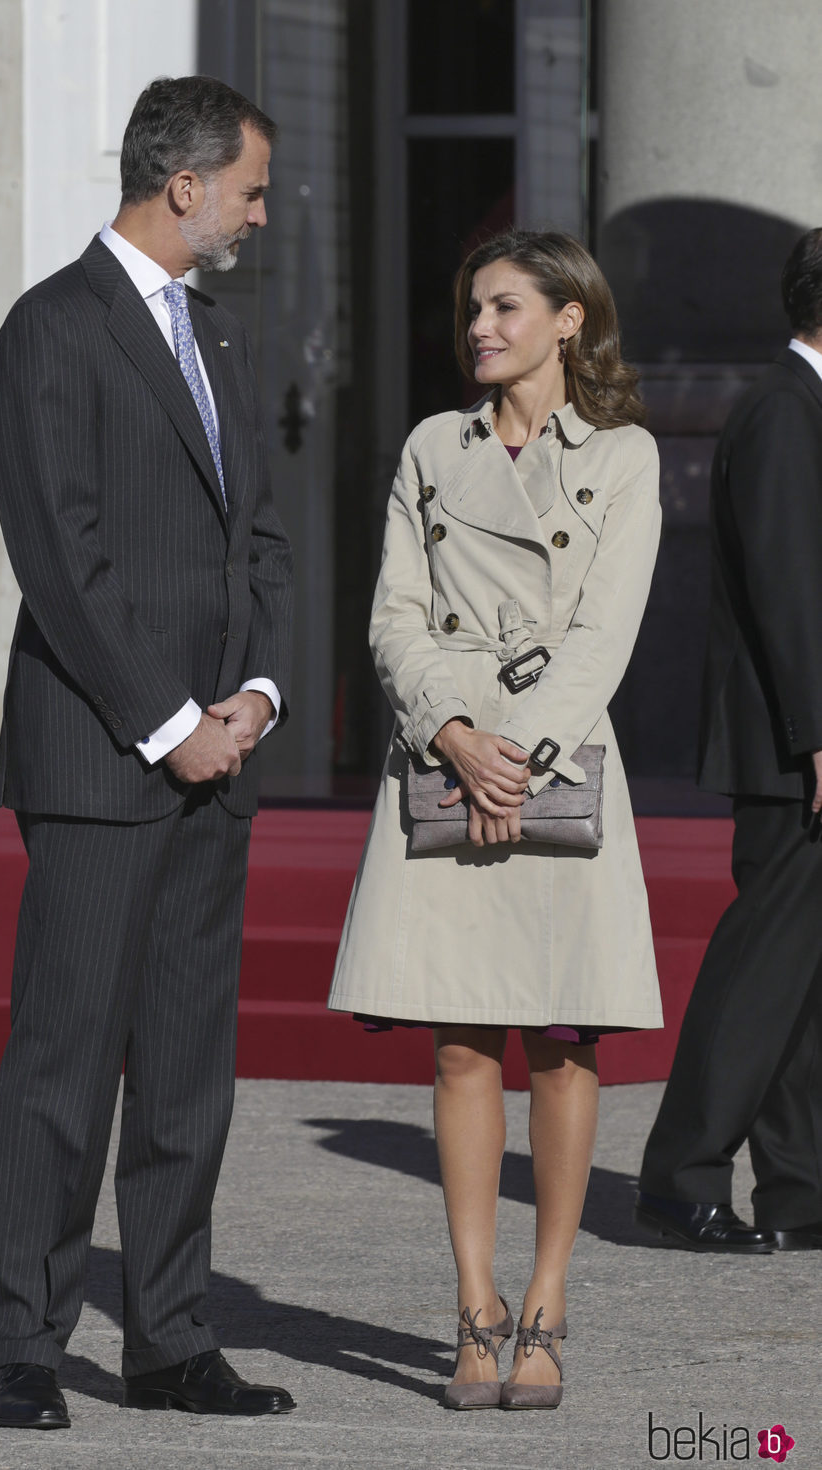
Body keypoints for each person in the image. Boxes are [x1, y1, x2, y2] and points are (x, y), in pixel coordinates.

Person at [0, 76, 295, 1429]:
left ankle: (169, 1337)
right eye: (254, 189)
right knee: (64, 1067)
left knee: (184, 1072)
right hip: (110, 765)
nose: (262, 214)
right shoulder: (52, 328)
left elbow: (262, 542)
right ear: (185, 185)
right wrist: (173, 725)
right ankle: (22, 1348)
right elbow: (61, 557)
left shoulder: (219, 337)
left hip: (220, 766)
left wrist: (261, 700)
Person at [328, 230, 663, 1410]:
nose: (479, 327)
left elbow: (605, 634)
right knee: (460, 1043)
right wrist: (453, 735)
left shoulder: (622, 455)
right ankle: (473, 1311)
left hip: (553, 760)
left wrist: (514, 756)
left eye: (506, 307)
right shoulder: (433, 447)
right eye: (472, 308)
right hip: (446, 753)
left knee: (562, 1045)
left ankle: (546, 1304)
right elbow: (391, 616)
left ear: (569, 319)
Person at [636, 228, 822, 1255]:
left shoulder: (800, 407)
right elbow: (792, 592)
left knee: (801, 978)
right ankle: (678, 1173)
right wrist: (817, 734)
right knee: (761, 968)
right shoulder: (784, 412)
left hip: (797, 740)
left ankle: (797, 1191)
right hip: (792, 752)